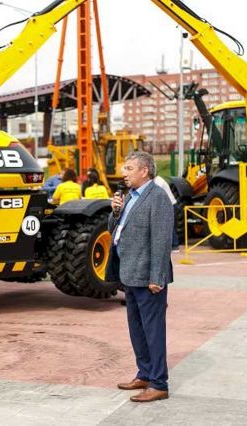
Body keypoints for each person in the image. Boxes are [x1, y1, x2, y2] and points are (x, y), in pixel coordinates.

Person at [105, 151, 174, 403]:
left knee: (153, 332)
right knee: (137, 330)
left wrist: (157, 276)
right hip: (130, 275)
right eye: (125, 168)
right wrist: (115, 212)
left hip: (148, 278)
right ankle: (144, 374)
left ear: (144, 171)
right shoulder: (130, 197)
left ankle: (159, 383)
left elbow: (161, 240)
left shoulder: (157, 197)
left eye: (129, 168)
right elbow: (114, 231)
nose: (124, 173)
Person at [152, 175, 180, 252]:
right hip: (167, 204)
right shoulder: (156, 180)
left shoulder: (158, 181)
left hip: (170, 205)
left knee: (169, 225)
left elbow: (156, 194)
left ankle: (175, 245)